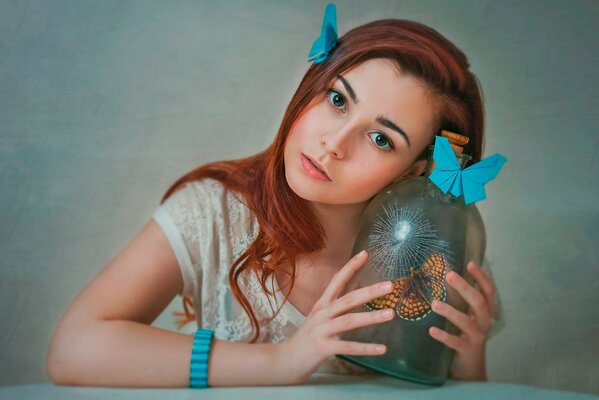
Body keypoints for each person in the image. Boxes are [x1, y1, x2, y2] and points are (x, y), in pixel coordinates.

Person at [46, 4, 504, 388]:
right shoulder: (211, 213)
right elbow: (73, 349)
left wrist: (466, 364)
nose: (334, 143)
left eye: (381, 139)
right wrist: (282, 362)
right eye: (338, 100)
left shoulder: (428, 255)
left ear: (418, 169)